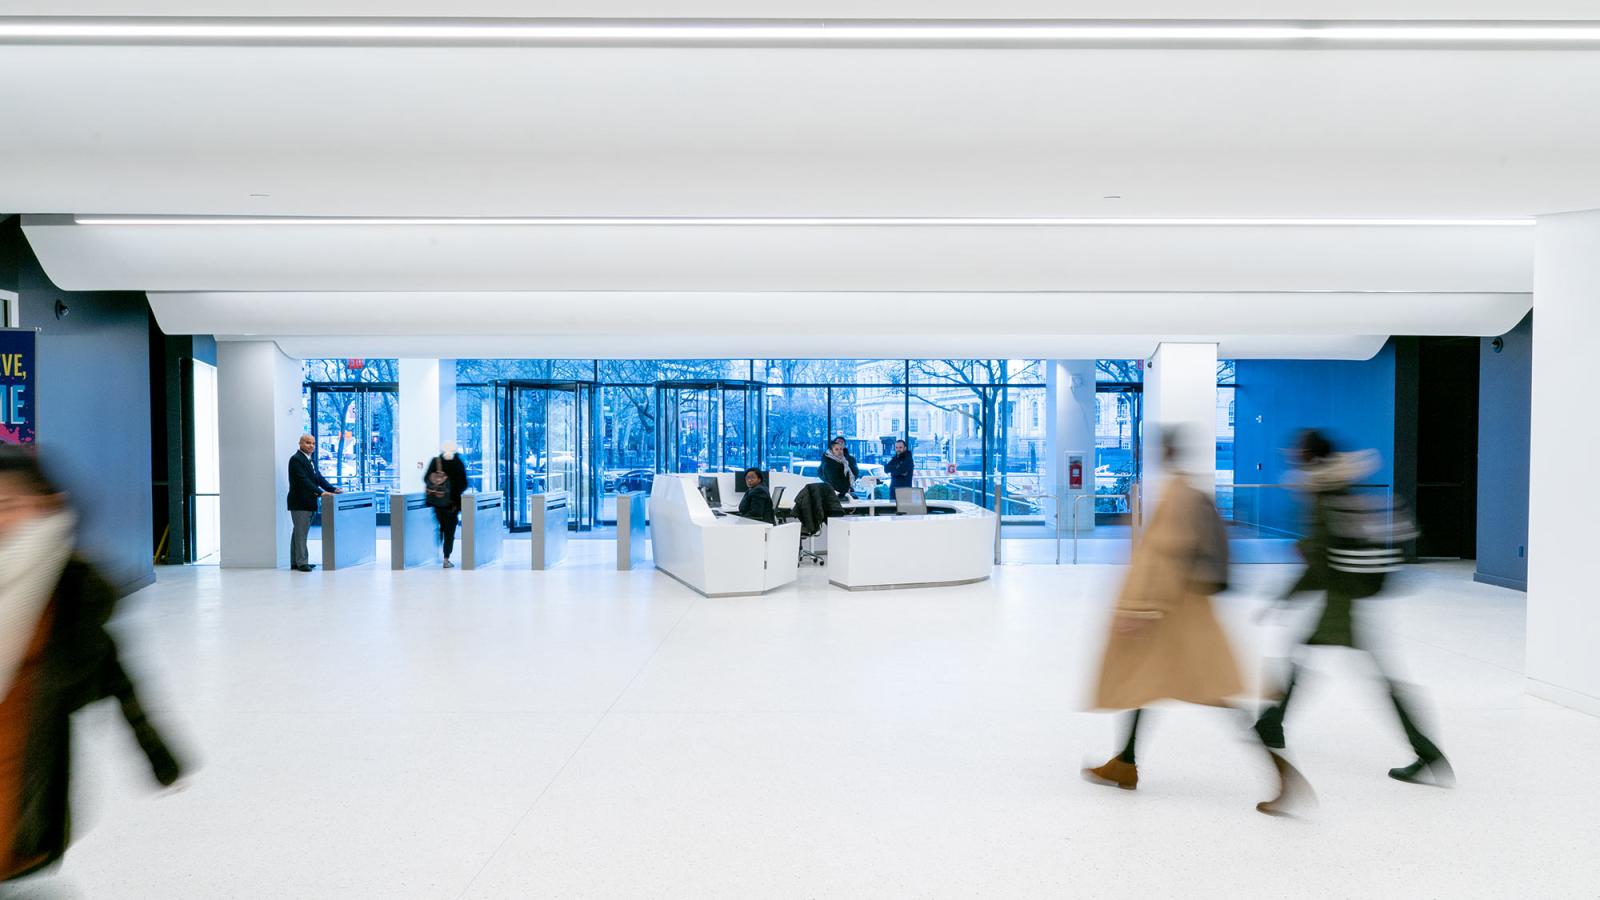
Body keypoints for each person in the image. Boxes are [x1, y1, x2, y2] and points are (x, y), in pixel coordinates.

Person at [1083, 428, 1310, 816]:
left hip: (1177, 620)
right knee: (1147, 683)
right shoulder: (1184, 492)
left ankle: (1283, 776)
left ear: (1164, 452)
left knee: (1214, 696)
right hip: (1181, 617)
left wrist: (1140, 610)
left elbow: (1165, 560)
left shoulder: (1177, 498)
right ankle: (1125, 763)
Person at [0, 446, 183, 881]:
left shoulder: (71, 594)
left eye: (7, 504)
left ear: (50, 505)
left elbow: (120, 680)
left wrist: (159, 757)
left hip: (19, 821)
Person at [1253, 429, 1452, 787]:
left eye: (1297, 449)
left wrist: (1286, 596)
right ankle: (1271, 724)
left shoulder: (1322, 493)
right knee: (1323, 660)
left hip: (1341, 600)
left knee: (1349, 668)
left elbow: (1319, 559)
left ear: (1309, 456)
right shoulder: (1339, 486)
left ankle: (1427, 752)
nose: (1291, 453)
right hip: (1347, 595)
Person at [287, 434, 339, 572]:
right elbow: (303, 481)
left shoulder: (310, 460)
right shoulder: (296, 460)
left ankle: (295, 562)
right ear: (300, 443)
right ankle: (302, 563)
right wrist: (321, 493)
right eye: (308, 443)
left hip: (309, 502)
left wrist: (332, 489)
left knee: (298, 533)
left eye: (313, 443)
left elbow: (318, 478)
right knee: (301, 533)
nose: (311, 445)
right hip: (300, 502)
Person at [424, 444, 469, 568]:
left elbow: (425, 479)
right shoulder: (457, 463)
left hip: (437, 501)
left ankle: (439, 534)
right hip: (453, 504)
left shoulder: (436, 461)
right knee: (450, 531)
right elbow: (464, 484)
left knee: (441, 525)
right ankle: (446, 558)